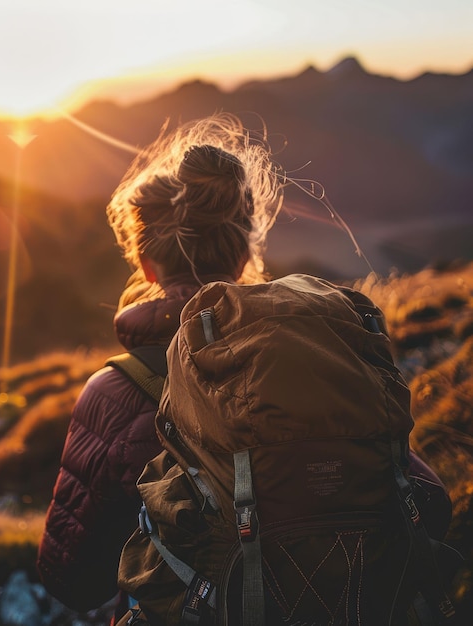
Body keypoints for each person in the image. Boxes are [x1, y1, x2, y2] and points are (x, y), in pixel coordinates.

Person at [36, 113, 452, 624]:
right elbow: (429, 507)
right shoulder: (313, 362)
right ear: (242, 257)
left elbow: (72, 580)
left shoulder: (114, 393)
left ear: (145, 264)